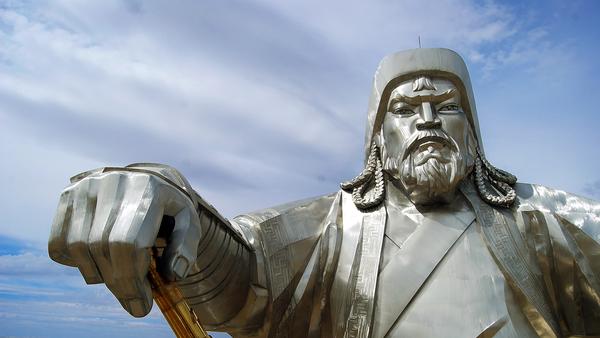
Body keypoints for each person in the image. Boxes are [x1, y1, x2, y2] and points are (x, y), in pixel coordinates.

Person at [49, 48, 600, 338]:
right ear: (379, 138)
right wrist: (165, 199)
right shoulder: (332, 228)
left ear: (472, 128)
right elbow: (241, 279)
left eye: (447, 106)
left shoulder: (541, 220)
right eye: (405, 109)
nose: (428, 120)